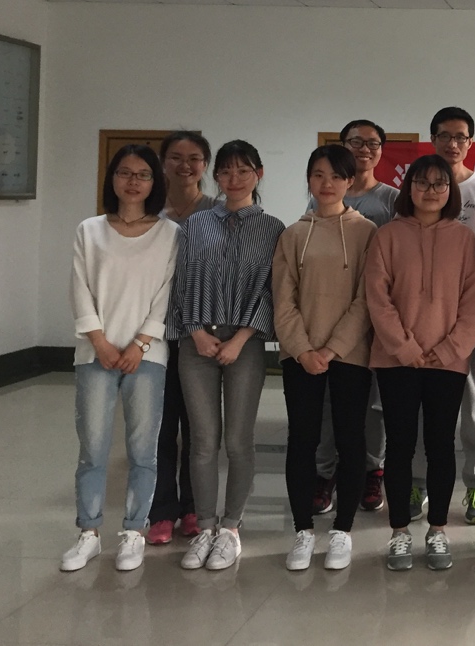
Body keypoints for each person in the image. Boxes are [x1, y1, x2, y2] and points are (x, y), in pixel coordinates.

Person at [167, 139, 286, 571]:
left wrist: (240, 339)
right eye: (225, 171)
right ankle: (204, 527)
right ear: (214, 176)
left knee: (238, 441)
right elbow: (179, 283)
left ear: (259, 174)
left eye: (243, 170)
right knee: (201, 442)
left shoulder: (273, 229)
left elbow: (272, 289)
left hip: (246, 344)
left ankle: (231, 528)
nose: (234, 179)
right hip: (195, 342)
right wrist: (196, 332)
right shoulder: (195, 225)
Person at [62, 144, 180, 572]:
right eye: (125, 173)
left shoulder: (170, 233)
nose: (133, 181)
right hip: (95, 351)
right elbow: (79, 288)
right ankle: (88, 532)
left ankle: (133, 532)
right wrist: (100, 342)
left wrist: (140, 344)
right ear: (112, 178)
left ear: (155, 182)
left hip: (147, 355)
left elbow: (167, 294)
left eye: (143, 174)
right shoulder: (89, 230)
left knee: (143, 450)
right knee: (92, 449)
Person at [363, 154, 475, 572]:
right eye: (422, 182)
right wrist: (404, 348)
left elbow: (473, 303)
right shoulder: (387, 236)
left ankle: (437, 530)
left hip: (447, 363)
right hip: (396, 360)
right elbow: (377, 298)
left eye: (440, 184)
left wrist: (449, 350)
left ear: (451, 191)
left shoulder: (465, 239)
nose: (431, 191)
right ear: (408, 187)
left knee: (440, 445)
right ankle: (398, 531)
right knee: (399, 445)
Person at [274, 145, 377, 570]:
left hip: (350, 354)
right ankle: (302, 530)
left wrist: (333, 348)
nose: (327, 183)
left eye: (336, 175)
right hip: (299, 355)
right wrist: (303, 350)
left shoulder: (367, 232)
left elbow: (367, 299)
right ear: (309, 180)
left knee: (352, 440)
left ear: (350, 181)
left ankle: (342, 531)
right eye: (318, 175)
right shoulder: (293, 234)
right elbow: (283, 300)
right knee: (302, 440)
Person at [417, 105, 475, 527]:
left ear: (470, 143)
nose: (452, 144)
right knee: (422, 408)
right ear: (432, 139)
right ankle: (418, 481)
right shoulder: (418, 188)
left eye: (460, 137)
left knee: (473, 407)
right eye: (445, 136)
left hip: (471, 311)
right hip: (422, 315)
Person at [309, 120, 399, 521]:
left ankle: (372, 471)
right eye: (356, 142)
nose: (364, 149)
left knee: (374, 404)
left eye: (372, 143)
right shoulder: (321, 199)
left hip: (376, 316)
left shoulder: (392, 200)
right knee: (329, 402)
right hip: (328, 318)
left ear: (382, 150)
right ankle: (325, 473)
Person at [147, 131, 216, 547]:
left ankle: (193, 505)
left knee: (197, 426)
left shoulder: (217, 212)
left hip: (200, 335)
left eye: (194, 158)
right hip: (154, 333)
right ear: (163, 163)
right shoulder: (148, 212)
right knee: (158, 424)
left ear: (205, 165)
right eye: (175, 157)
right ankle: (160, 509)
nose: (185, 165)